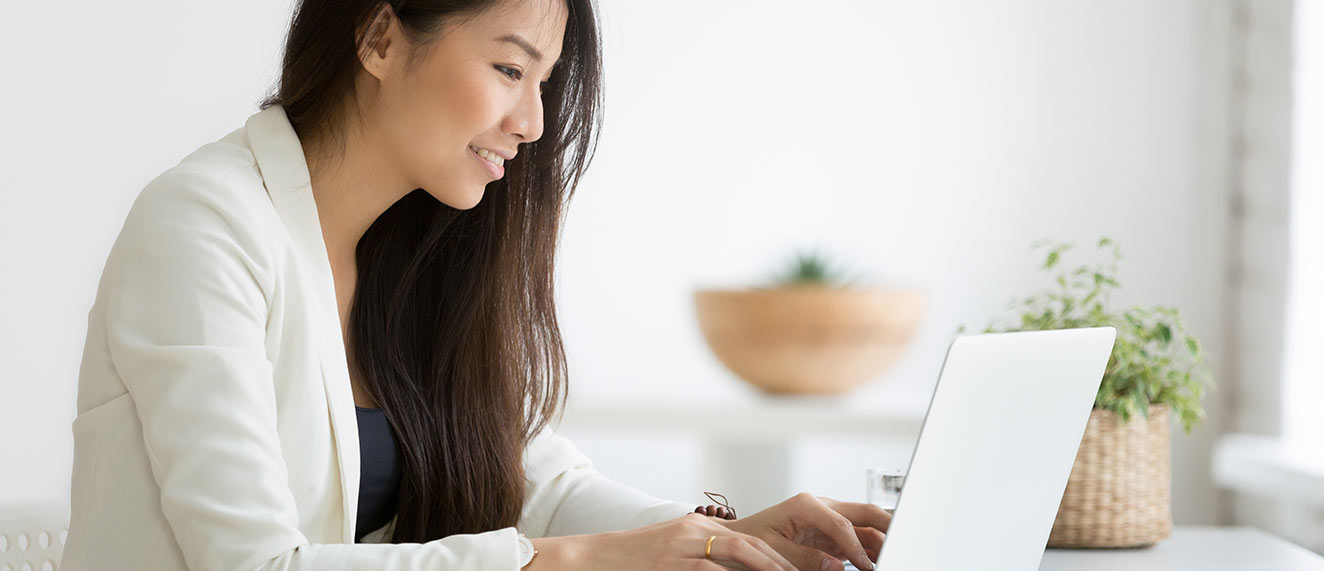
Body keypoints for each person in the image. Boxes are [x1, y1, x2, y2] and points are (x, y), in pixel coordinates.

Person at [61, 0, 889, 569]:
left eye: (544, 82)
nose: (532, 121)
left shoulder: (416, 253)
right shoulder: (202, 226)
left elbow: (538, 482)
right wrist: (570, 560)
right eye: (508, 68)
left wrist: (724, 537)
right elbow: (252, 562)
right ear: (381, 36)